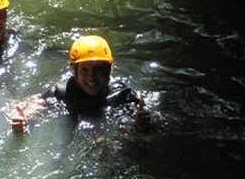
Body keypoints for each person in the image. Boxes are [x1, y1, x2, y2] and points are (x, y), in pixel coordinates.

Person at [8, 34, 148, 133]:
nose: (91, 77)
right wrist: (22, 118)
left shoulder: (122, 95)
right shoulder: (62, 92)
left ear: (109, 69)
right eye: (85, 70)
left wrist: (139, 129)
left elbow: (139, 129)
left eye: (98, 69)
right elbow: (30, 106)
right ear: (74, 72)